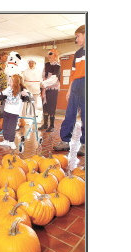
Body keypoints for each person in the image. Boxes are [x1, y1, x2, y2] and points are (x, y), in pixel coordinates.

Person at [53, 25, 86, 156]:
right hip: (76, 85)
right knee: (69, 114)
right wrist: (69, 91)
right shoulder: (77, 53)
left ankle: (84, 144)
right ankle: (65, 141)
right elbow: (73, 74)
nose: (76, 39)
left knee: (86, 116)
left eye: (78, 36)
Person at [0, 75, 28, 150]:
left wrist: (25, 94)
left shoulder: (21, 90)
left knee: (11, 128)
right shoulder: (9, 88)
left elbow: (27, 95)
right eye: (9, 80)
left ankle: (11, 141)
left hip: (14, 113)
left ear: (15, 82)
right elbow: (2, 94)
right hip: (6, 111)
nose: (9, 82)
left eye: (11, 81)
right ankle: (6, 140)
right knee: (5, 126)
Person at [39, 49, 60, 132]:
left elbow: (54, 78)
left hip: (52, 89)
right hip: (45, 88)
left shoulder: (57, 66)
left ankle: (51, 125)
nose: (49, 56)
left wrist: (44, 84)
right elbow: (43, 75)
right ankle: (45, 124)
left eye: (51, 54)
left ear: (55, 55)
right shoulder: (46, 64)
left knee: (51, 106)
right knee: (45, 106)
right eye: (48, 54)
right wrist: (43, 88)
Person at [22, 59, 42, 123]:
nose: (31, 64)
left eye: (32, 63)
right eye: (30, 63)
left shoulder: (38, 71)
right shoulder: (25, 71)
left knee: (34, 103)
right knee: (25, 103)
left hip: (35, 89)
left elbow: (40, 80)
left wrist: (40, 89)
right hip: (27, 89)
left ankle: (33, 115)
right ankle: (23, 116)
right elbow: (22, 80)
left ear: (35, 63)